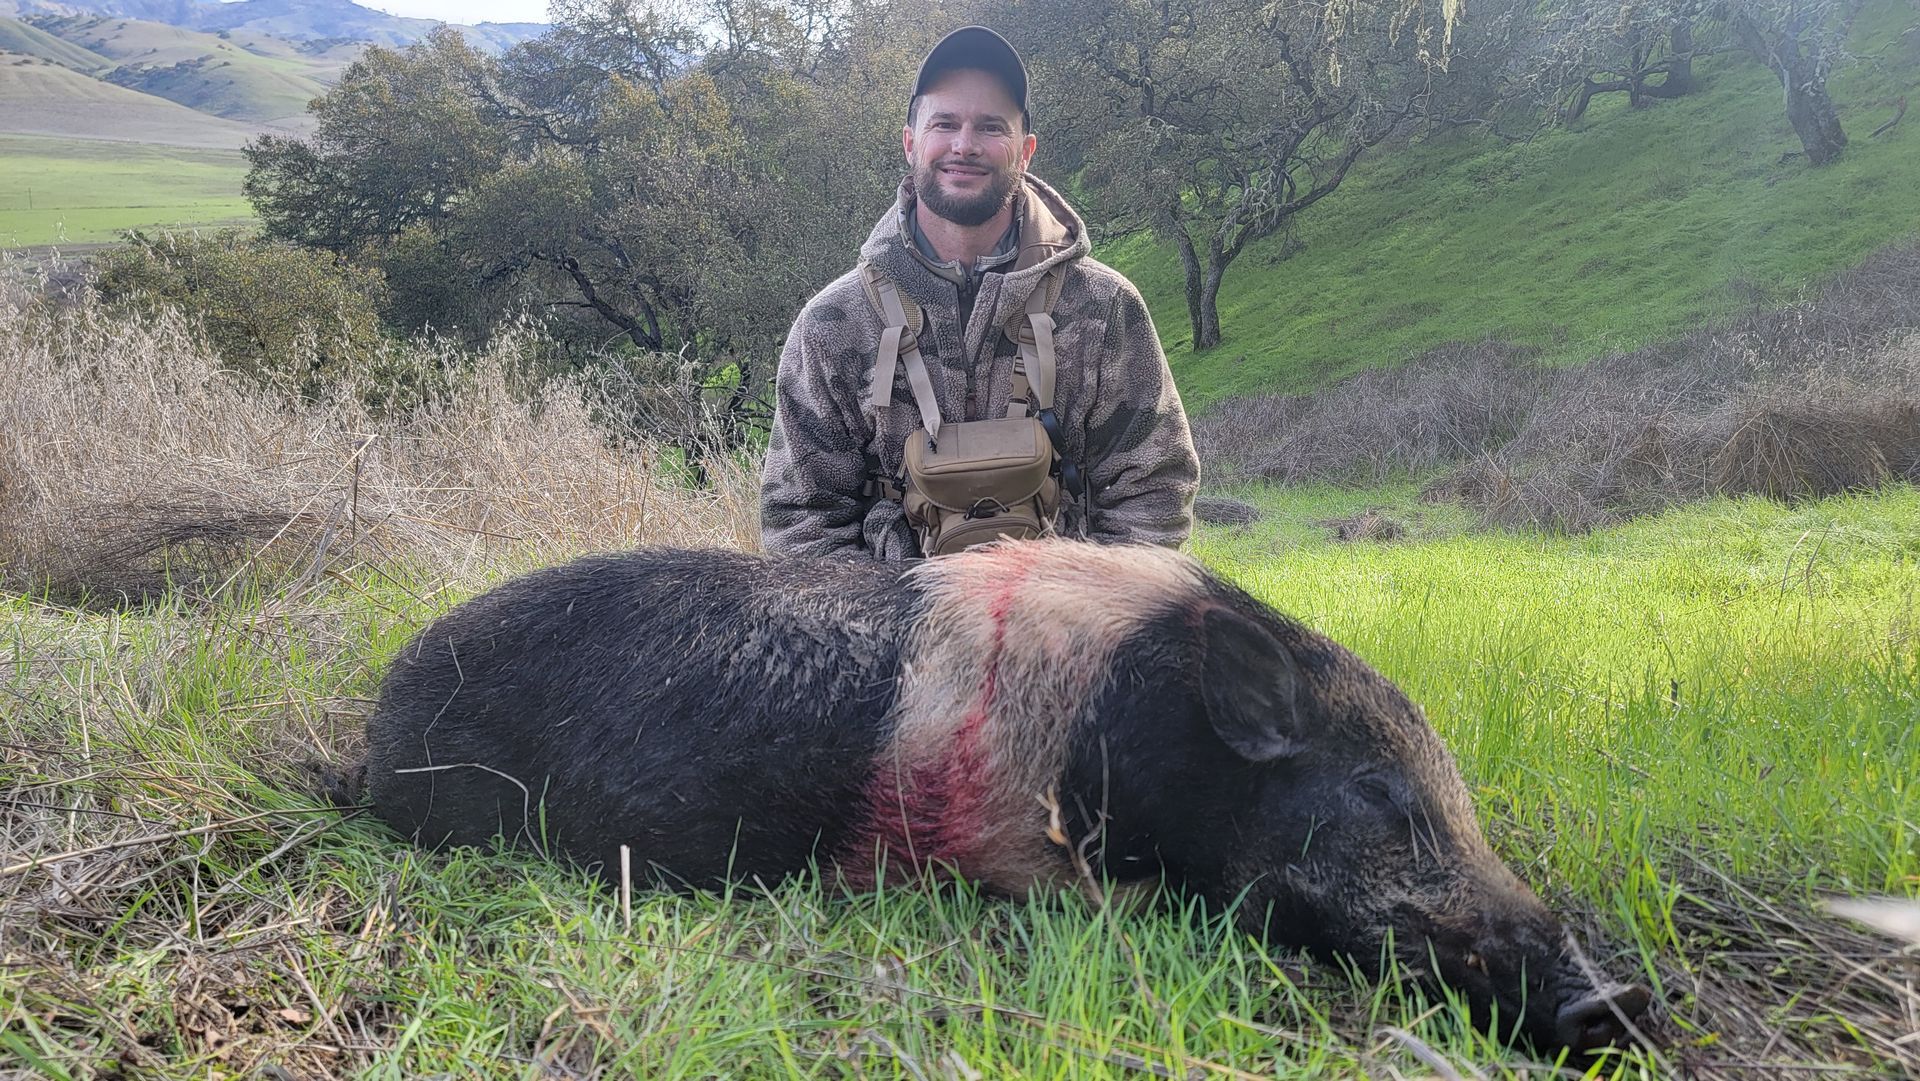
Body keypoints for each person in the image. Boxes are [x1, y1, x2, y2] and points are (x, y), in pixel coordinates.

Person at [760, 25, 1199, 560]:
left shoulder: (1104, 308)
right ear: (910, 142)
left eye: (991, 127)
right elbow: (802, 520)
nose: (964, 145)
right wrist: (888, 633)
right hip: (890, 633)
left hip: (1064, 629)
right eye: (944, 123)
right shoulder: (832, 324)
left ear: (1026, 150)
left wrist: (1091, 625)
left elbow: (1153, 492)